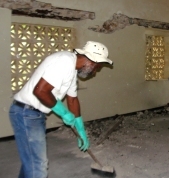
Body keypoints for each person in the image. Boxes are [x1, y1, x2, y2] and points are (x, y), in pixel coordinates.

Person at [9, 41, 113, 178]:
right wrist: (63, 113)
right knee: (38, 166)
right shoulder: (64, 62)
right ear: (91, 61)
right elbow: (40, 91)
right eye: (96, 68)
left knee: (31, 162)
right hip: (26, 113)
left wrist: (80, 127)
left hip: (33, 114)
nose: (94, 72)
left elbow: (72, 99)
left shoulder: (72, 69)